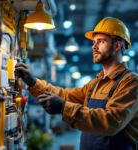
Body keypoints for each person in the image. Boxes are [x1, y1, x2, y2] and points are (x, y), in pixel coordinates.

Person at [15, 17, 138, 150]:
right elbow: (65, 95)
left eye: (101, 41)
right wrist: (33, 82)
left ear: (118, 45)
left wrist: (64, 108)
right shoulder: (95, 84)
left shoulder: (130, 82)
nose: (94, 46)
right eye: (94, 42)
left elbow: (110, 121)